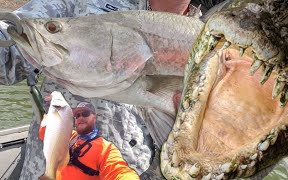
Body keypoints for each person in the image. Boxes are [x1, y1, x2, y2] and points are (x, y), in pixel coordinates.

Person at [0, 0, 200, 179]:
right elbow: (8, 51)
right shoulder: (79, 4)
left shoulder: (214, 32)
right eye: (53, 29)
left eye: (53, 29)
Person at [39, 101, 139, 179]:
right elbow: (45, 132)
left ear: (94, 117)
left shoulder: (106, 149)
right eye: (77, 115)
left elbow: (119, 172)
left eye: (85, 114)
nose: (80, 118)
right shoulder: (69, 135)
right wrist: (49, 113)